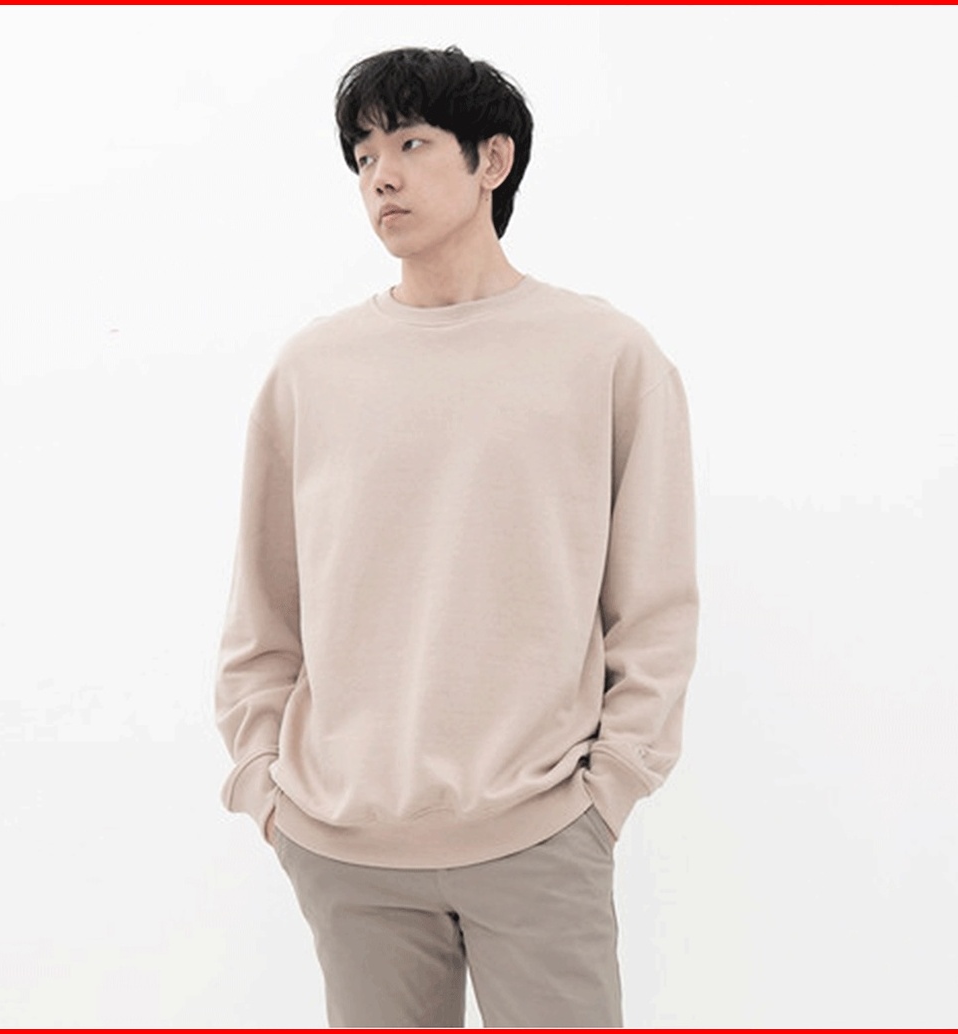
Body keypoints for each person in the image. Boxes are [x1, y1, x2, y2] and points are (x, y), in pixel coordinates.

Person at [214, 44, 698, 1029]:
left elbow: (653, 605)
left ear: (493, 160)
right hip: (344, 847)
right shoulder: (312, 371)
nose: (379, 176)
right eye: (362, 156)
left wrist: (609, 789)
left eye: (409, 143)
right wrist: (266, 788)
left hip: (541, 832)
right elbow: (263, 610)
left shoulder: (605, 355)